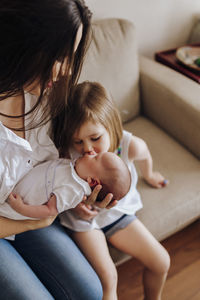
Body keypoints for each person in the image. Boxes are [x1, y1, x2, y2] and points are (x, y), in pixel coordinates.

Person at [0, 1, 116, 299]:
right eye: (61, 56)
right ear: (26, 41)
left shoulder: (44, 92)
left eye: (71, 57)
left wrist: (74, 196)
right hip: (14, 222)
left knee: (91, 290)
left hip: (34, 212)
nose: (66, 70)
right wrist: (35, 219)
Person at [58, 81, 171, 300]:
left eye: (95, 138)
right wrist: (76, 205)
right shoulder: (68, 153)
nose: (87, 149)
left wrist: (150, 174)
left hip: (118, 216)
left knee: (161, 261)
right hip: (84, 223)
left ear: (111, 126)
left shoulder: (129, 145)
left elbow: (145, 153)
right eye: (78, 141)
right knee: (108, 279)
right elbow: (56, 186)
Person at [5, 152, 130, 220]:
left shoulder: (74, 190)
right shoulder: (75, 168)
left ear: (92, 181)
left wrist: (20, 208)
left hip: (17, 205)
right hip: (14, 184)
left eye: (95, 157)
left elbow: (50, 210)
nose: (91, 151)